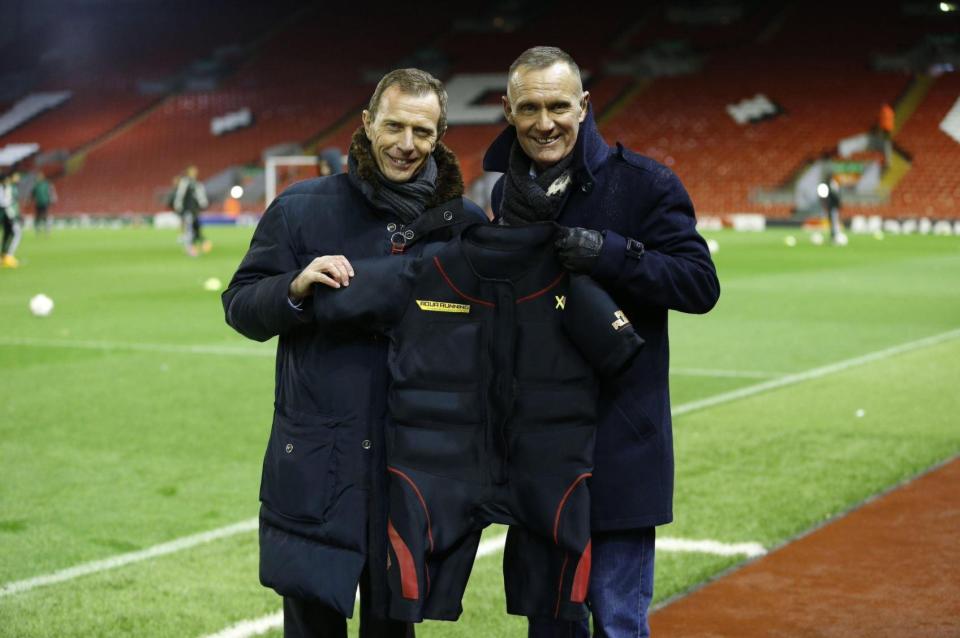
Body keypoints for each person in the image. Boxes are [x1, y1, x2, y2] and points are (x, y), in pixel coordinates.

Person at [222, 68, 486, 638]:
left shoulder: (463, 226)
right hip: (319, 462)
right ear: (367, 124)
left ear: (440, 135)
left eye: (422, 131)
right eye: (393, 125)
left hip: (414, 462)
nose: (406, 144)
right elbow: (240, 306)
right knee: (312, 623)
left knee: (394, 628)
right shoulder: (301, 208)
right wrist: (293, 288)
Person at [483, 46, 720, 637]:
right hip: (539, 454)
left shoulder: (644, 185)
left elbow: (700, 284)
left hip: (619, 445)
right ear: (507, 110)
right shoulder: (502, 198)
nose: (545, 123)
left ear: (584, 106)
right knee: (550, 628)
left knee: (617, 623)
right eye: (530, 108)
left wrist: (612, 253)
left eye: (559, 106)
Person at [172, 165, 210, 256]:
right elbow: (180, 195)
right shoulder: (185, 182)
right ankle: (190, 249)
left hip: (195, 210)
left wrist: (203, 204)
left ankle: (198, 244)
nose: (194, 173)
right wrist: (178, 206)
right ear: (188, 172)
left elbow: (200, 196)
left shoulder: (196, 184)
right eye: (192, 171)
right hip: (187, 210)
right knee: (189, 229)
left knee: (195, 227)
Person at [1, 172, 23, 268]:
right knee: (16, 233)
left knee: (7, 234)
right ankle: (8, 256)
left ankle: (3, 256)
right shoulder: (6, 187)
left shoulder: (9, 187)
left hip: (9, 214)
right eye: (17, 176)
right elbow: (4, 203)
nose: (19, 178)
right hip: (7, 214)